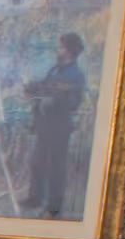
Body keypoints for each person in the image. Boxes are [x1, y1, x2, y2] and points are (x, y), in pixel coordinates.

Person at [23, 32, 88, 219]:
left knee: (56, 168)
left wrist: (54, 100)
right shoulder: (55, 70)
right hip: (44, 126)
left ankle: (54, 207)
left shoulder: (75, 74)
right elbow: (44, 86)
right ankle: (34, 198)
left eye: (60, 47)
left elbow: (74, 101)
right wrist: (29, 86)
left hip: (60, 128)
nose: (57, 50)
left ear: (69, 50)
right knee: (38, 164)